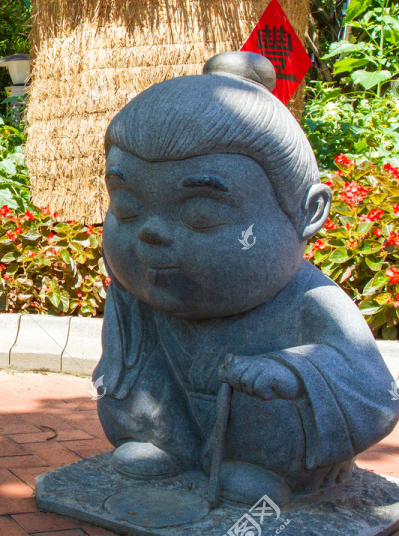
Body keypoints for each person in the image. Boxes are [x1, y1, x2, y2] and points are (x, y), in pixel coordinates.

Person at [95, 51, 399, 506]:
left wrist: (294, 369)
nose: (150, 233)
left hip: (261, 434)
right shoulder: (139, 295)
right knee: (131, 383)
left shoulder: (310, 298)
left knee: (275, 408)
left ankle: (267, 468)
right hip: (170, 410)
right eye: (127, 209)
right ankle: (168, 447)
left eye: (201, 216)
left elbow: (375, 389)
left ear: (308, 213)